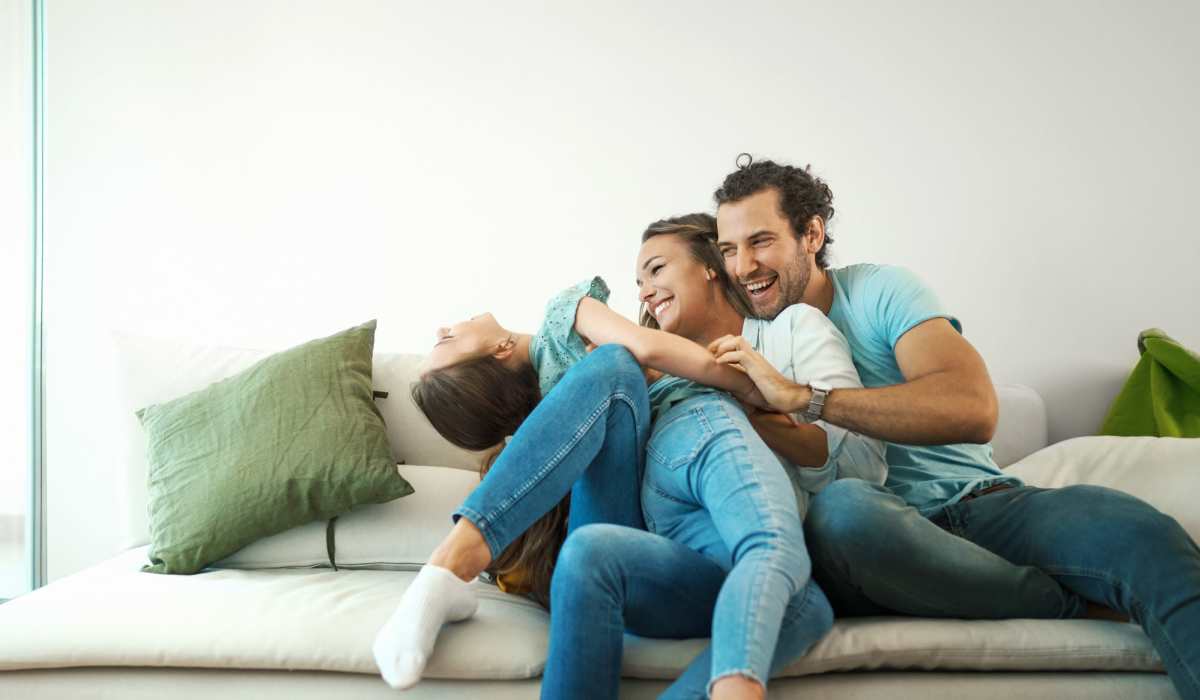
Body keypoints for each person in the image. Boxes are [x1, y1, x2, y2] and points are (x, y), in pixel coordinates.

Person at [710, 155, 1200, 700]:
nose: (743, 266)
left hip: (988, 506)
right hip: (876, 540)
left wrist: (808, 399)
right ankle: (1061, 603)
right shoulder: (735, 341)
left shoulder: (878, 292)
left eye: (760, 241)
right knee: (844, 512)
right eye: (728, 249)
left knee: (1144, 535)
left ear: (811, 234)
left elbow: (974, 408)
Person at [371, 214, 784, 693]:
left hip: (661, 558)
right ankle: (454, 561)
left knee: (614, 366)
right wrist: (752, 385)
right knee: (615, 360)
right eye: (447, 338)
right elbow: (643, 345)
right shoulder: (564, 326)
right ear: (499, 351)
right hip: (633, 550)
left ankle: (449, 565)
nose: (446, 325)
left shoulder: (560, 410)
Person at [540, 215, 887, 700]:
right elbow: (559, 367)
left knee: (807, 606)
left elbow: (863, 466)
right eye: (638, 283)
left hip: (754, 548)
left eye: (656, 269)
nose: (645, 292)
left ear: (710, 266)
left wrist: (767, 404)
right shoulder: (651, 375)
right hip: (664, 554)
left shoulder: (792, 330)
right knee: (591, 544)